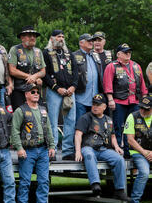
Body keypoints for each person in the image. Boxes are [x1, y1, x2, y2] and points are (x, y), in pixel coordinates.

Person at [74, 93, 130, 201]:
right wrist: (77, 151)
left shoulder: (108, 120)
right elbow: (78, 134)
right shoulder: (85, 118)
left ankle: (120, 190)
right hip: (88, 147)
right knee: (89, 155)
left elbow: (112, 136)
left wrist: (117, 147)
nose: (95, 107)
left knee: (119, 159)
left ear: (104, 107)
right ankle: (95, 185)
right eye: (94, 104)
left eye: (98, 105)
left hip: (104, 149)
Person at [11, 84, 55, 203]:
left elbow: (49, 129)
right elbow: (14, 131)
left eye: (37, 92)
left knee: (44, 181)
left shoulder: (43, 110)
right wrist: (19, 148)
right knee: (25, 181)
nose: (36, 93)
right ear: (26, 94)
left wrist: (52, 146)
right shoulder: (20, 110)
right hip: (27, 151)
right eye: (33, 92)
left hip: (42, 150)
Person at [103, 44, 147, 156]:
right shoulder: (112, 66)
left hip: (135, 101)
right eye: (125, 52)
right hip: (118, 101)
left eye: (129, 52)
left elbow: (142, 84)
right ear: (118, 54)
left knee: (133, 128)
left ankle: (129, 152)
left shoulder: (136, 66)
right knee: (118, 126)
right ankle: (117, 151)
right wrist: (110, 99)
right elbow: (107, 84)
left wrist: (145, 99)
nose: (128, 54)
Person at [43, 30, 78, 160]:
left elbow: (76, 71)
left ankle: (68, 151)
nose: (61, 39)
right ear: (52, 39)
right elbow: (44, 73)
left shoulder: (68, 53)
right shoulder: (46, 53)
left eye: (63, 36)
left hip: (69, 92)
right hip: (54, 91)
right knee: (52, 121)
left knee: (71, 120)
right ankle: (52, 150)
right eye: (59, 36)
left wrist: (73, 86)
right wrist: (56, 87)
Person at [124, 95, 152, 203]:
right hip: (137, 152)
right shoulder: (132, 116)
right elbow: (130, 139)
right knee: (144, 172)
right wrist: (145, 152)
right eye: (141, 107)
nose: (142, 111)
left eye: (146, 109)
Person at [8, 25, 46, 111]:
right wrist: (29, 77)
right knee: (20, 116)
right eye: (29, 36)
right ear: (22, 38)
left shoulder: (38, 51)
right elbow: (12, 70)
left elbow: (43, 71)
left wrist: (35, 77)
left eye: (34, 36)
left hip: (35, 91)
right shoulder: (15, 49)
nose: (32, 38)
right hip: (20, 90)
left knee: (37, 116)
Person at [73, 34, 104, 123]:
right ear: (81, 43)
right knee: (80, 126)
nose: (91, 42)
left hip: (95, 99)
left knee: (94, 127)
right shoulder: (74, 55)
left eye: (92, 41)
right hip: (80, 98)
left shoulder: (96, 55)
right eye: (88, 40)